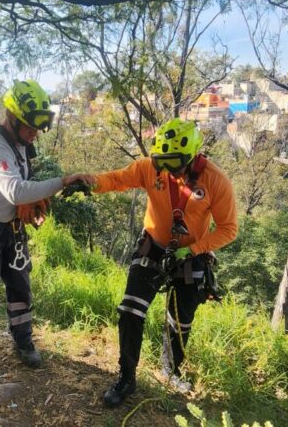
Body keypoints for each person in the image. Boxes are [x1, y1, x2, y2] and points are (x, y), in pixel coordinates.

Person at [72, 118, 238, 407]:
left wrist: (193, 249)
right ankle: (126, 377)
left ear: (191, 156)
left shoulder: (215, 180)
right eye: (163, 161)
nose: (168, 169)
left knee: (180, 321)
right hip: (153, 247)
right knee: (130, 310)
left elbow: (228, 228)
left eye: (175, 163)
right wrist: (89, 183)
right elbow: (117, 179)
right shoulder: (151, 168)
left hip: (190, 255)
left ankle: (171, 370)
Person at [0, 79, 84, 390]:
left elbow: (22, 185)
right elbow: (14, 190)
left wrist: (32, 204)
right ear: (11, 116)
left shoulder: (21, 143)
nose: (35, 132)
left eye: (39, 126)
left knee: (20, 289)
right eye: (29, 125)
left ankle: (24, 342)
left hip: (11, 230)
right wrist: (63, 181)